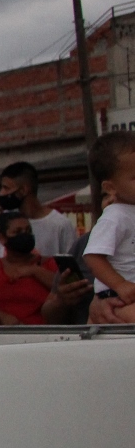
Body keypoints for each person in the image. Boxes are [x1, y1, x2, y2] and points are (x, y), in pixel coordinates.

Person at [0, 212, 91, 325]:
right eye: (17, 232)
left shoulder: (49, 264)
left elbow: (63, 288)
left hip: (42, 333)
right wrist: (0, 316)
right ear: (2, 238)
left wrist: (35, 271)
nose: (24, 235)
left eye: (28, 230)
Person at [0, 161, 79, 263]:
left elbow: (71, 263)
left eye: (6, 188)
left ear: (24, 190)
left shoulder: (61, 224)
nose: (1, 193)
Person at [83, 130, 135, 323]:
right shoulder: (115, 216)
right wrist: (120, 285)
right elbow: (93, 256)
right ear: (111, 188)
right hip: (117, 297)